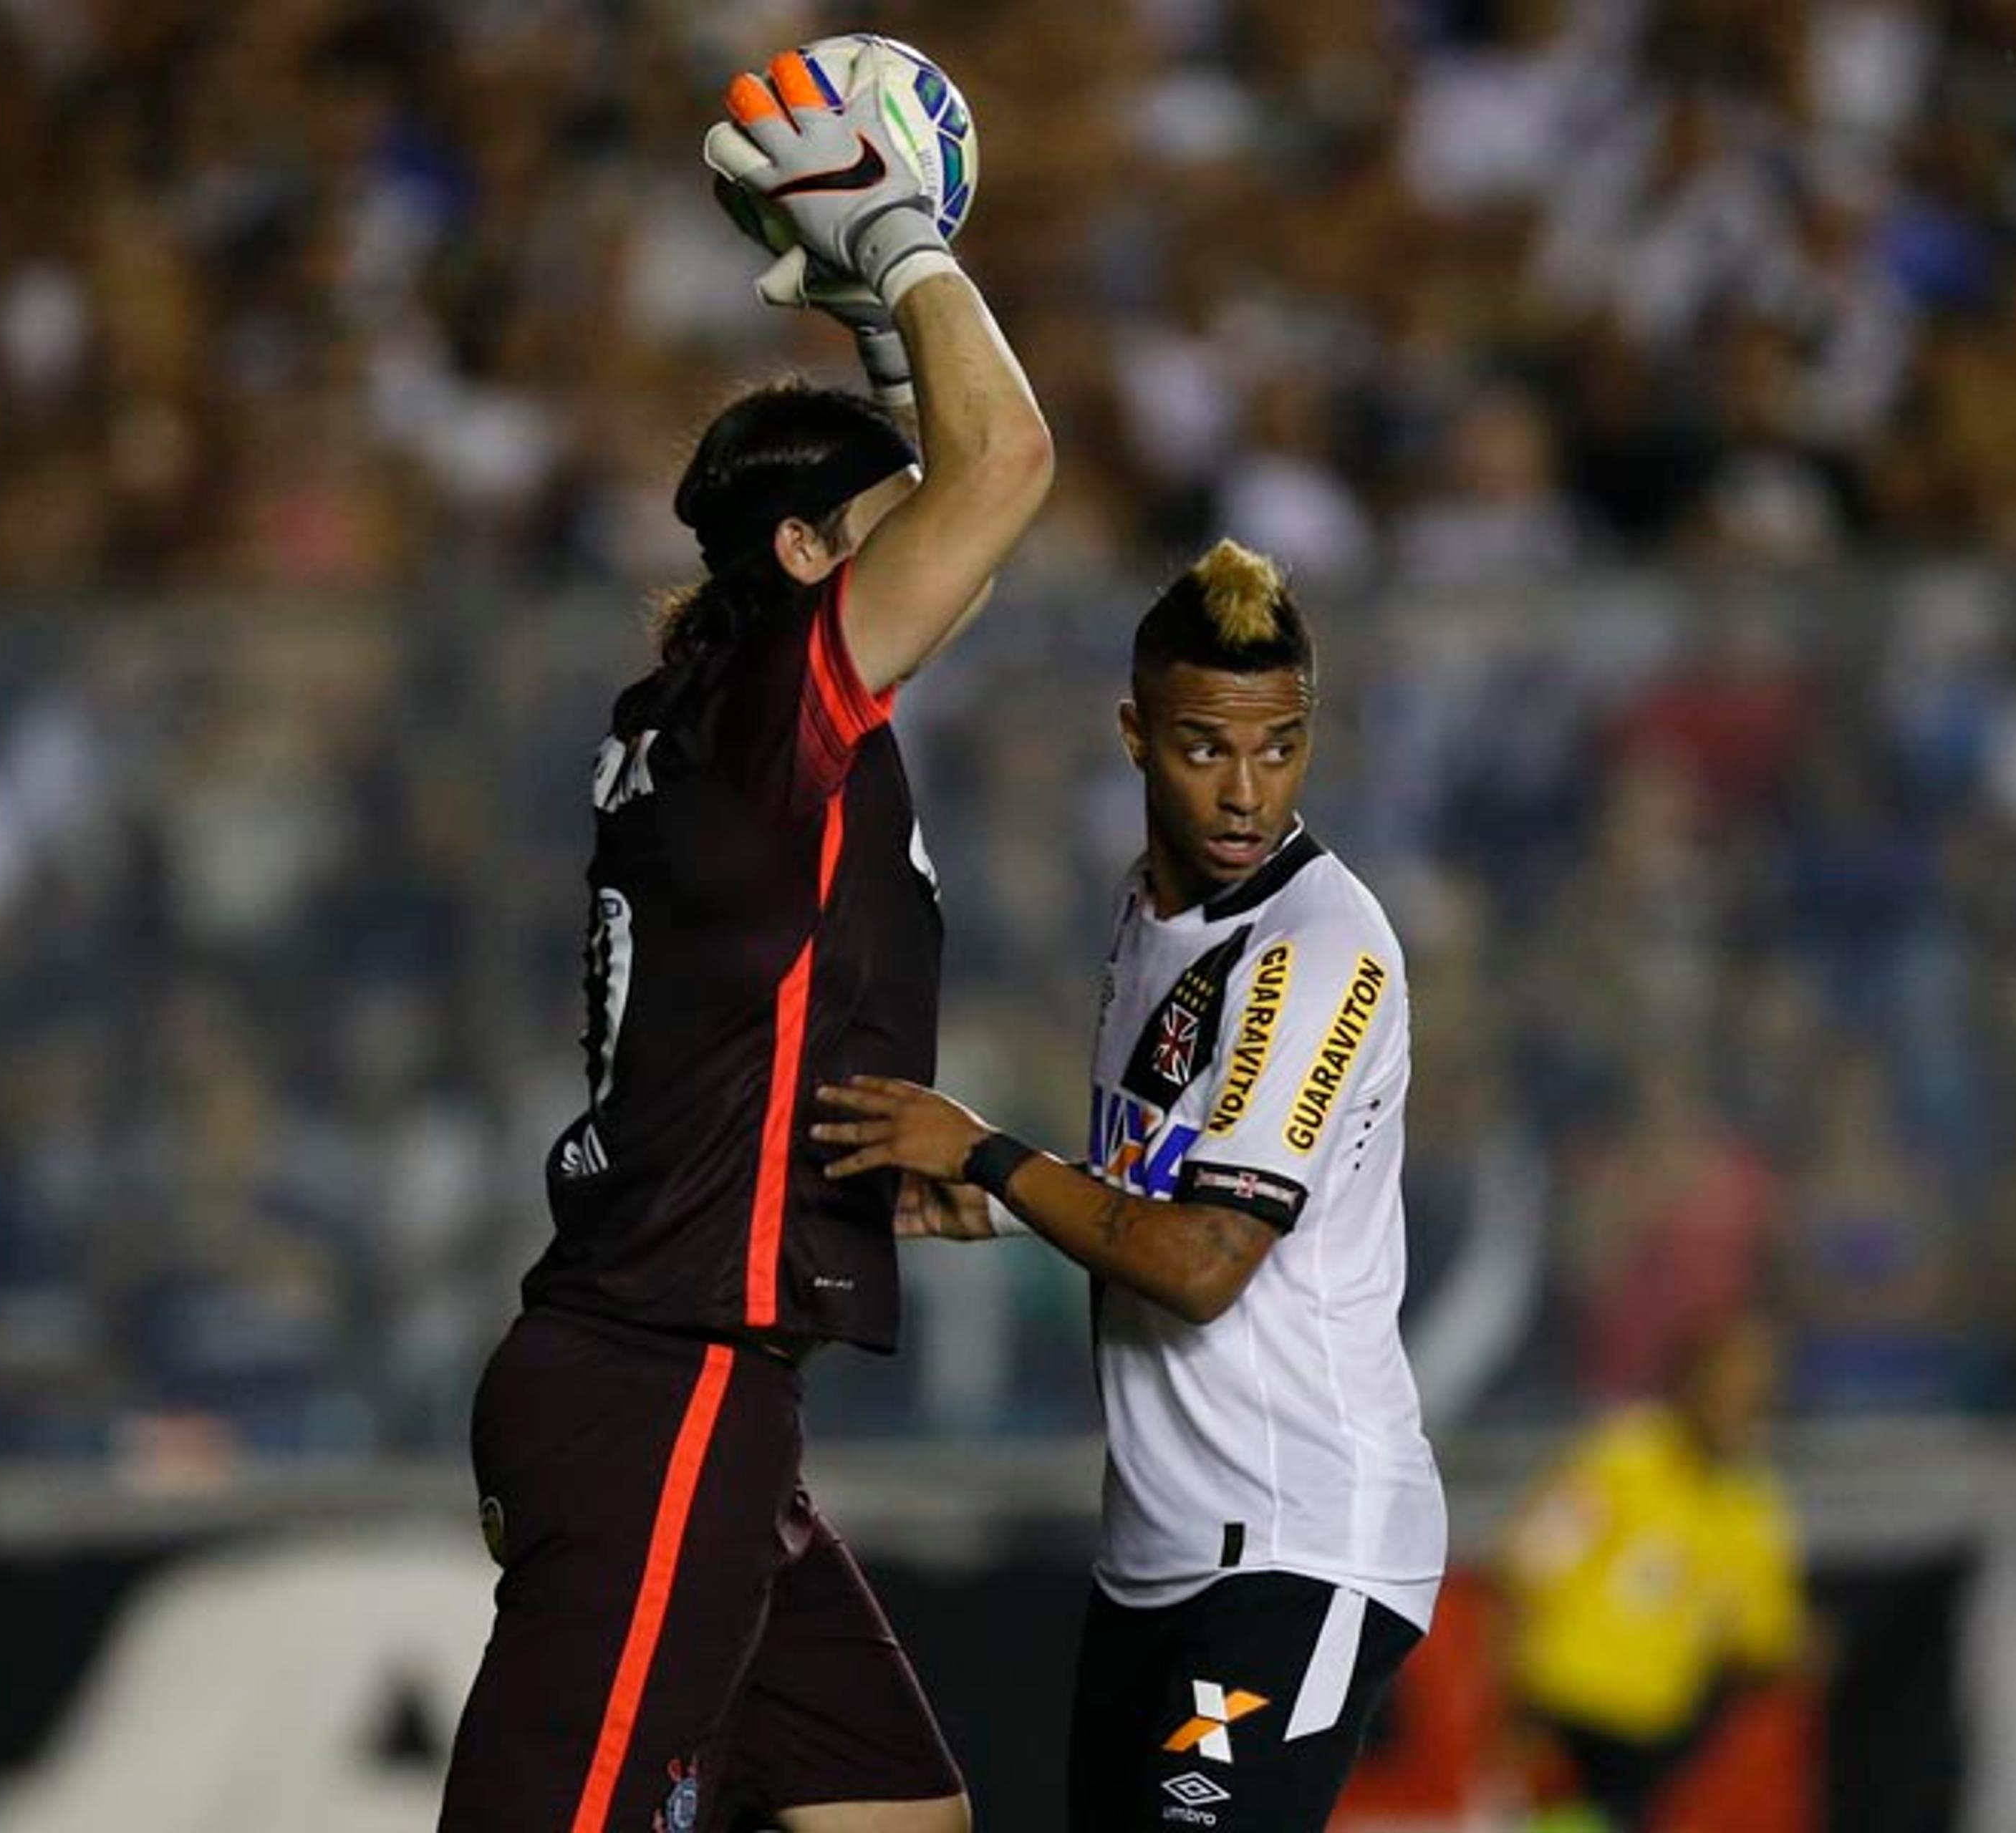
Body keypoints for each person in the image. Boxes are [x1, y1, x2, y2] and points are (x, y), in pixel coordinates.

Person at [437, 44, 1053, 1833]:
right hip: (664, 1378)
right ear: (802, 556)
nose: (926, 565)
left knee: (892, 1813)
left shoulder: (720, 704)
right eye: (874, 529)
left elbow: (964, 505)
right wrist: (898, 238)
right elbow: (1004, 464)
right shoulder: (772, 705)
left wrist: (878, 338)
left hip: (683, 1372)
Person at [809, 538, 1448, 1833]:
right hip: (1157, 1555)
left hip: (1299, 1541)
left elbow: (1205, 1263)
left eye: (1280, 748)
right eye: (1205, 746)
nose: (1244, 793)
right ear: (1134, 735)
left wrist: (987, 1151)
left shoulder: (1314, 952)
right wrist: (994, 1202)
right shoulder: (1143, 914)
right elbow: (1152, 1181)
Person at [1492, 1312, 1813, 1832]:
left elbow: (1765, 1636)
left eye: (1756, 1392)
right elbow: (1525, 1566)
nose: (1742, 1404)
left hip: (1653, 1737)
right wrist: (1514, 1702)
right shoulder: (1620, 1462)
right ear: (1689, 1381)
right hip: (1565, 1717)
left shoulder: (1756, 1508)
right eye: (1729, 1384)